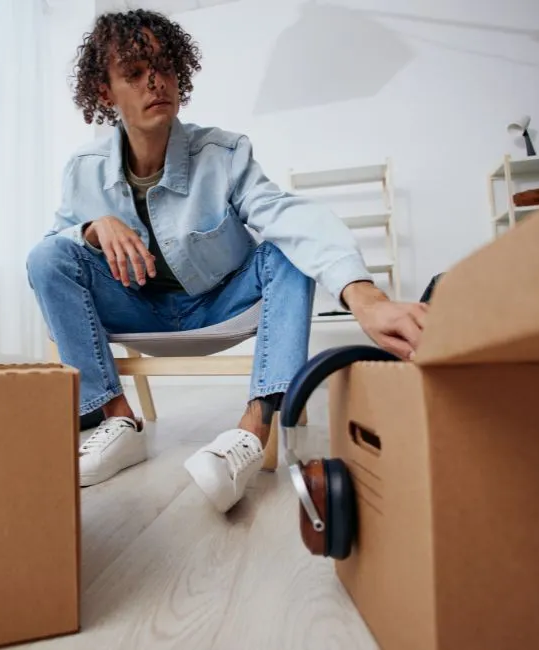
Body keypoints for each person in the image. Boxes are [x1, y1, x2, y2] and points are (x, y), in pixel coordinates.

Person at [26, 9, 427, 513]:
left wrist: (365, 296)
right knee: (48, 256)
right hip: (135, 308)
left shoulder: (224, 153)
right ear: (105, 93)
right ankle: (118, 420)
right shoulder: (83, 171)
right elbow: (51, 255)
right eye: (134, 73)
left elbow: (285, 215)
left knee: (283, 249)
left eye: (165, 67)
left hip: (221, 305)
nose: (156, 83)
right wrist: (89, 228)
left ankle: (252, 429)